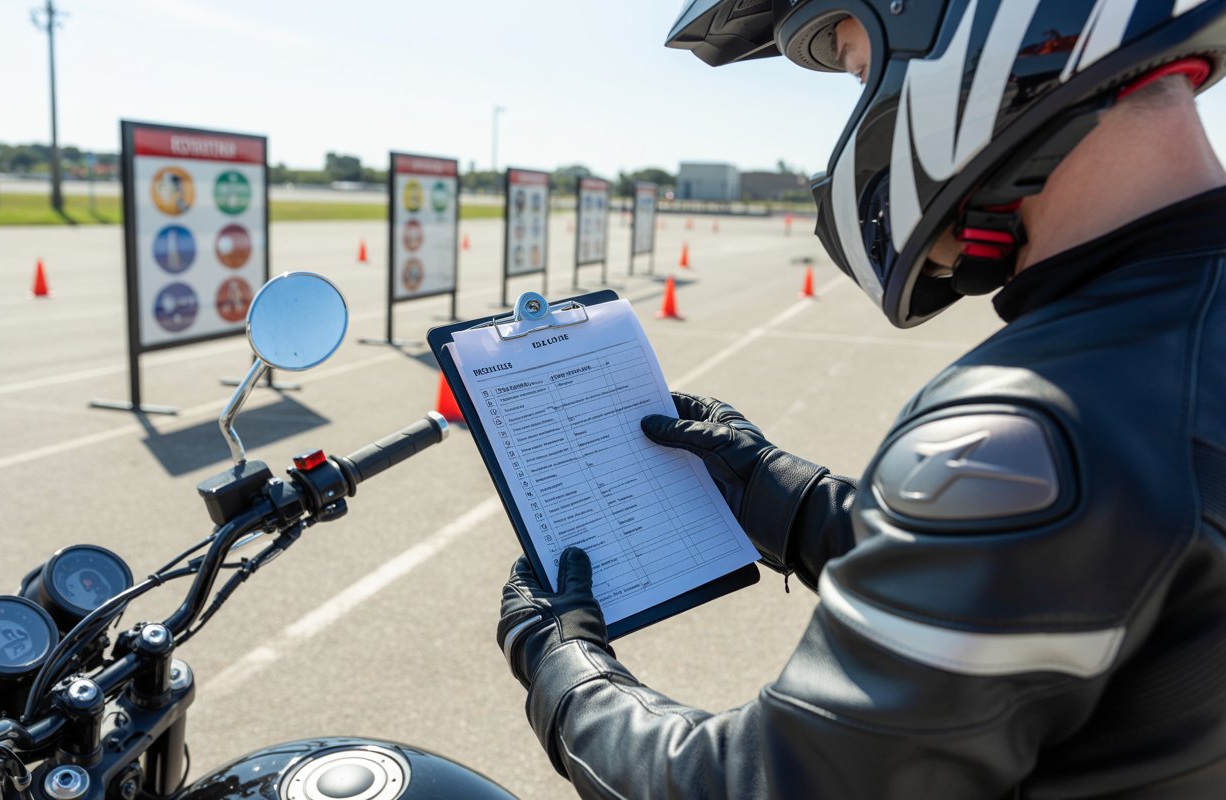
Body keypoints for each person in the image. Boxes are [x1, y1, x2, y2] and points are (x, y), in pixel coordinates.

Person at [497, 1, 1226, 797]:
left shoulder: (1034, 425)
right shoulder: (1162, 358)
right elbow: (1071, 581)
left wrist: (564, 672)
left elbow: (769, 785)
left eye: (854, 71)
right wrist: (796, 503)